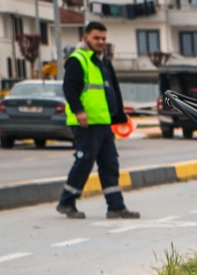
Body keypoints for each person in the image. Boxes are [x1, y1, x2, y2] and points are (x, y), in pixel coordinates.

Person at [56, 22, 139, 220]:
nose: (101, 42)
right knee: (84, 161)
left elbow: (112, 90)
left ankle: (116, 207)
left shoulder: (103, 61)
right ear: (86, 37)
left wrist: (119, 115)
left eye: (103, 38)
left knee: (110, 163)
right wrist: (78, 111)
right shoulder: (78, 59)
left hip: (102, 121)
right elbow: (70, 89)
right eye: (96, 38)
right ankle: (66, 202)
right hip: (85, 123)